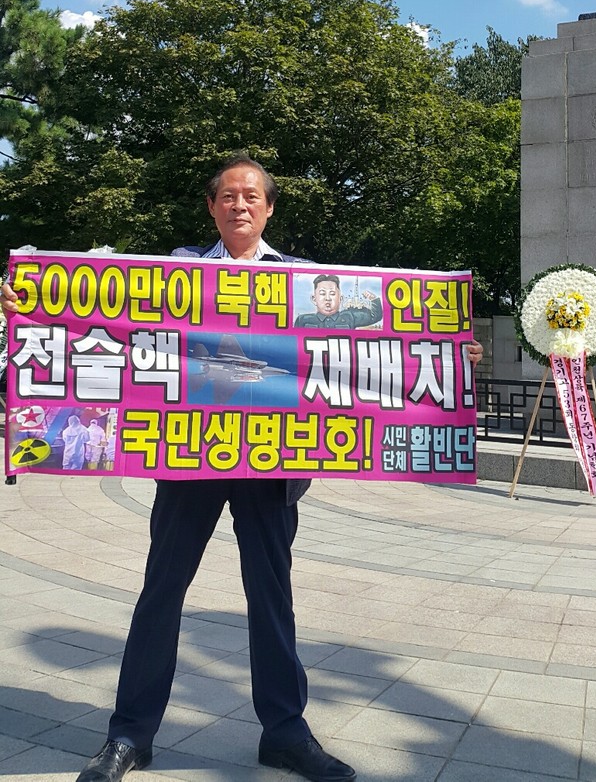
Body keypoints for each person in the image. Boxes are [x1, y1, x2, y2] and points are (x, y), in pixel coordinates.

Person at [1, 153, 484, 782]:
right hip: (190, 456)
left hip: (273, 464)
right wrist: (30, 305)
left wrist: (450, 353)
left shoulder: (307, 283)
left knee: (271, 598)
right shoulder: (174, 274)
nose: (240, 205)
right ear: (212, 207)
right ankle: (130, 735)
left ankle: (285, 733)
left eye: (252, 196)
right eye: (228, 195)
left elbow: (372, 346)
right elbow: (102, 318)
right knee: (161, 592)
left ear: (269, 208)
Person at [295, 273, 383, 329]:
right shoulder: (303, 320)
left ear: (340, 299)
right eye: (322, 293)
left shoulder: (350, 317)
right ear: (314, 299)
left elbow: (375, 316)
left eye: (332, 293)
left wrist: (373, 299)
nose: (328, 298)